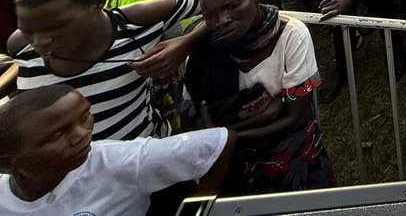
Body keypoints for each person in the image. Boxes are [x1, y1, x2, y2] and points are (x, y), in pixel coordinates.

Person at [8, 0, 203, 140]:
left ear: (98, 4)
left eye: (55, 27)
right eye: (27, 31)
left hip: (143, 155)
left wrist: (188, 41)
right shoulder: (20, 47)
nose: (39, 43)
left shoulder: (136, 23)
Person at [185, 0, 335, 193]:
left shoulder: (291, 34)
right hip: (234, 166)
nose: (222, 21)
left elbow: (296, 116)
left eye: (232, 6)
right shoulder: (202, 55)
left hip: (293, 155)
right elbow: (195, 113)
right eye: (211, 16)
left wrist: (227, 138)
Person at [0, 85, 234, 216]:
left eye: (84, 117)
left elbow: (220, 141)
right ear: (7, 163)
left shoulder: (122, 161)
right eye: (58, 134)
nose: (82, 134)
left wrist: (199, 207)